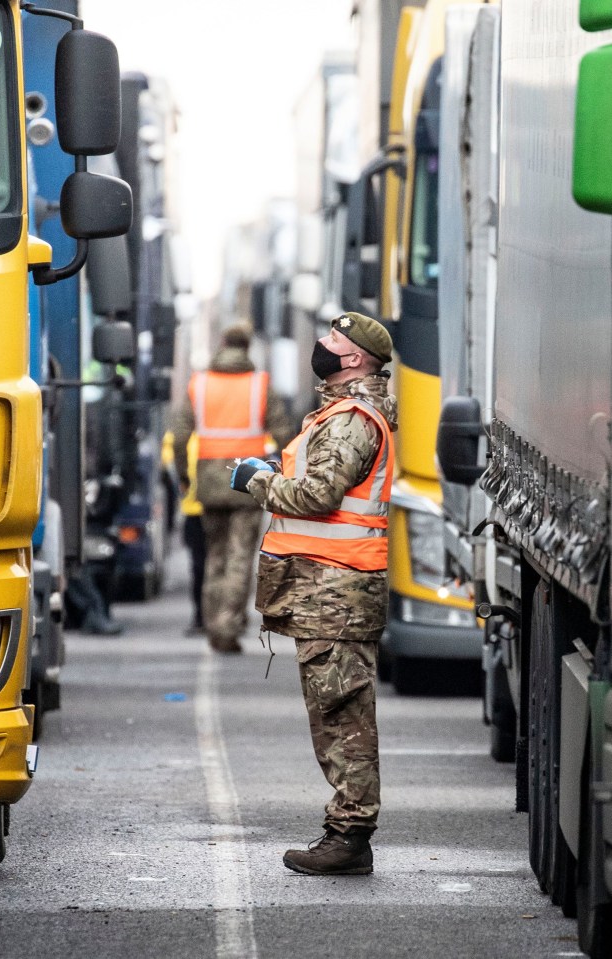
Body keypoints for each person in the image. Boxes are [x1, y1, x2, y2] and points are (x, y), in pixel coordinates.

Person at [230, 311, 397, 875]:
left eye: (332, 340)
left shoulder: (352, 419)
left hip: (337, 591)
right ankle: (347, 832)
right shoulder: (339, 412)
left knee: (344, 716)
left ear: (352, 358)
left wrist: (257, 480)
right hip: (328, 590)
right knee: (335, 713)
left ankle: (349, 835)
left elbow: (319, 495)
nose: (321, 346)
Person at [172, 321, 292, 653]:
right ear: (248, 346)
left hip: (209, 480)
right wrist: (289, 471)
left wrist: (184, 475)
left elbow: (180, 435)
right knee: (240, 556)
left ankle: (213, 623)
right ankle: (227, 625)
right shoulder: (260, 385)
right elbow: (283, 432)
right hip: (247, 480)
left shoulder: (200, 385)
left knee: (216, 555)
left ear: (223, 342)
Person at [162, 430, 206, 634]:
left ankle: (202, 617)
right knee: (217, 565)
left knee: (200, 567)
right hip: (217, 510)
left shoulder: (180, 436)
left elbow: (169, 464)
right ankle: (217, 617)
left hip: (196, 511)